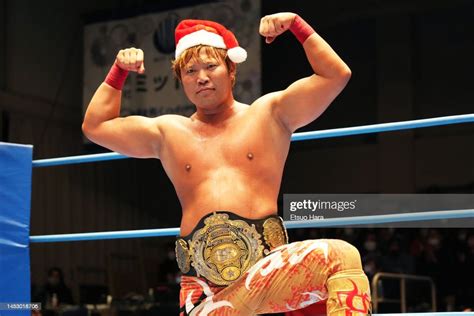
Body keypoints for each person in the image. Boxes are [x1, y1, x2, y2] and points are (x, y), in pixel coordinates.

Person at [82, 12, 371, 315]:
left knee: (342, 256)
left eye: (210, 66)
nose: (201, 77)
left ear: (231, 70)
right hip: (203, 291)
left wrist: (296, 25)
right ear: (181, 80)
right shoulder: (167, 133)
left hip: (268, 275)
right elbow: (96, 126)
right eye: (190, 70)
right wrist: (118, 70)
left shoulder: (270, 114)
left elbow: (335, 75)